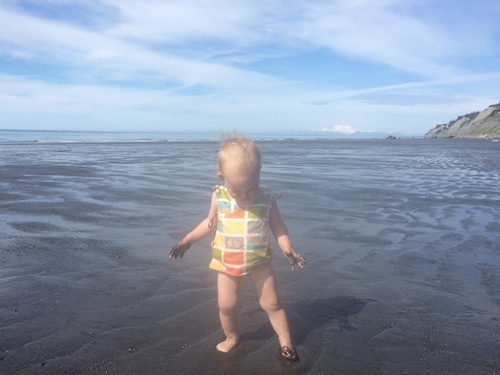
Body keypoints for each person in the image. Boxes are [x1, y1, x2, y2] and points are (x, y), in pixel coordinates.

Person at [169, 135, 306, 361]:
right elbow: (209, 224)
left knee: (272, 303)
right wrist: (186, 241)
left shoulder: (267, 198)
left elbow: (278, 226)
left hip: (259, 262)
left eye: (251, 189)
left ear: (259, 173)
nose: (244, 195)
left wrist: (287, 248)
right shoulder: (219, 196)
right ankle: (232, 337)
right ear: (222, 178)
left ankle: (286, 344)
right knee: (226, 305)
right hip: (227, 262)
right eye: (237, 190)